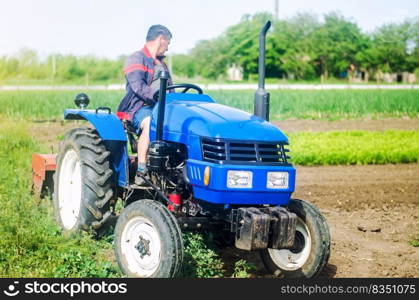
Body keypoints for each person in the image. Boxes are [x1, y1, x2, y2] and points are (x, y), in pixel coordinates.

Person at [117, 25, 173, 185]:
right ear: (161, 38)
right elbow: (138, 87)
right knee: (151, 123)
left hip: (160, 107)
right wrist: (158, 98)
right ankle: (142, 170)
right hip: (139, 108)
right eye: (168, 43)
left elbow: (170, 89)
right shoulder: (136, 58)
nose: (167, 48)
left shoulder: (162, 65)